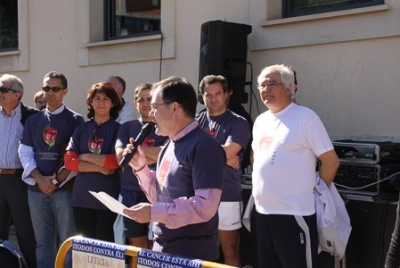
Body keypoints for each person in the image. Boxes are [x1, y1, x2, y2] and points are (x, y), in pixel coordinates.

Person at [122, 76, 226, 261]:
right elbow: (160, 197)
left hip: (191, 254)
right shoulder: (169, 145)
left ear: (175, 108)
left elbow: (205, 206)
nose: (150, 114)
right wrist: (140, 168)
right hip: (163, 248)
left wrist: (154, 213)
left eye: (155, 107)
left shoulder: (204, 146)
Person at [252, 64, 340, 268]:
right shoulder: (261, 120)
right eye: (262, 85)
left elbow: (331, 162)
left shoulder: (306, 118)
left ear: (290, 88)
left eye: (272, 84)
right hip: (263, 213)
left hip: (293, 214)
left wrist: (317, 192)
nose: (266, 89)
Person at [18, 71, 85, 268]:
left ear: (65, 91)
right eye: (46, 88)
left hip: (64, 190)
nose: (50, 92)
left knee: (68, 241)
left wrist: (54, 182)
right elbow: (25, 152)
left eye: (55, 89)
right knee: (43, 243)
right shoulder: (33, 120)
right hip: (36, 191)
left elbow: (76, 157)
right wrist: (40, 179)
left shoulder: (75, 120)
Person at [196, 75, 250, 266]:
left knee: (230, 250)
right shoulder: (194, 121)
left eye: (217, 93)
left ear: (227, 94)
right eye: (208, 94)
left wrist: (203, 151)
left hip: (227, 194)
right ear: (202, 96)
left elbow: (231, 151)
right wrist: (222, 155)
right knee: (200, 251)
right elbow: (184, 152)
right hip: (198, 195)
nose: (213, 99)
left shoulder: (239, 122)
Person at [115, 83, 167, 264]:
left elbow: (167, 155)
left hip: (159, 194)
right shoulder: (126, 127)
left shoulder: (166, 125)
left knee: (157, 246)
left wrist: (137, 153)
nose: (145, 104)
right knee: (137, 247)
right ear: (135, 103)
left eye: (149, 99)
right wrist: (153, 154)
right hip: (131, 193)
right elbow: (121, 158)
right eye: (141, 100)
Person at [64, 82, 122, 242]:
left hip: (108, 199)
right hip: (82, 198)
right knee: (84, 249)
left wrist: (84, 156)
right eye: (96, 98)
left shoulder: (119, 130)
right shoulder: (81, 129)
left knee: (106, 249)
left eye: (105, 99)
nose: (101, 103)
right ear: (90, 102)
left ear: (113, 103)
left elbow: (115, 162)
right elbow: (69, 161)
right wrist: (100, 169)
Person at [0, 74, 38, 268]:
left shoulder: (31, 116)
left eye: (3, 90)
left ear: (17, 94)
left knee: (25, 233)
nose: (0, 93)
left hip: (19, 180)